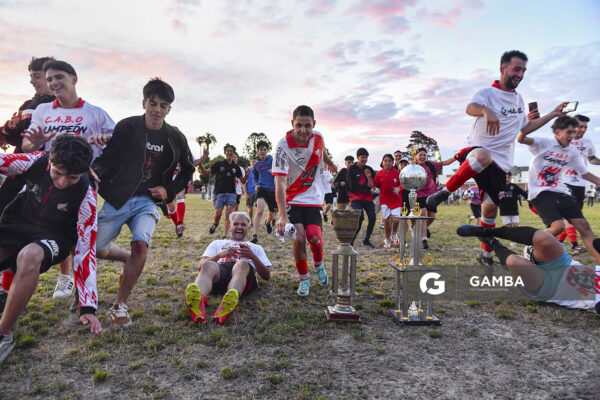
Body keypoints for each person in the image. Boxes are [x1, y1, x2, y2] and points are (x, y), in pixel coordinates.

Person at [426, 50, 565, 266]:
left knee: (490, 209)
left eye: (524, 70)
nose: (520, 74)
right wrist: (485, 111)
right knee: (483, 155)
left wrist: (551, 115)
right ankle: (442, 194)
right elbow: (469, 108)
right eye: (516, 68)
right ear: (503, 69)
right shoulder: (486, 93)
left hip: (501, 163)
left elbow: (525, 128)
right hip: (475, 150)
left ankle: (486, 255)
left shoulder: (519, 100)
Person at [92, 78, 194, 326]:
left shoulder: (175, 137)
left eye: (163, 105)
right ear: (144, 103)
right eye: (153, 103)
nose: (157, 110)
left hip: (148, 202)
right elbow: (111, 157)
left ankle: (119, 305)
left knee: (141, 245)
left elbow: (187, 170)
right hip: (119, 197)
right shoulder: (127, 127)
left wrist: (168, 190)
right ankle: (126, 259)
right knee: (95, 248)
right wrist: (96, 171)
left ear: (169, 109)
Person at [0, 134, 101, 363]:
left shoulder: (87, 194)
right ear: (50, 162)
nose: (63, 182)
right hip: (17, 226)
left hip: (54, 236)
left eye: (72, 177)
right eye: (57, 173)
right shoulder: (34, 161)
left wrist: (88, 306)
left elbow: (85, 251)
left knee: (29, 256)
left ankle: (4, 334)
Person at [21, 59, 115, 302]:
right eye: (50, 78)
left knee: (83, 236)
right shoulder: (43, 111)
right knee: (54, 230)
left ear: (74, 79)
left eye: (59, 77)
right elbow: (27, 145)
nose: (53, 82)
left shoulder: (94, 112)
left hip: (83, 181)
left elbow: (118, 140)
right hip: (49, 180)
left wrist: (105, 138)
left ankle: (81, 295)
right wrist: (36, 140)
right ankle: (62, 277)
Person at [0, 56, 56, 309]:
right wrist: (5, 132)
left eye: (36, 75)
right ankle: (5, 289)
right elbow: (13, 134)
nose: (32, 80)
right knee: (6, 223)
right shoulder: (27, 104)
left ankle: (9, 290)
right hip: (17, 171)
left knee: (23, 229)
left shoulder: (57, 105)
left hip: (41, 174)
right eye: (31, 75)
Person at [456, 224, 599, 315]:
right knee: (545, 238)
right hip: (566, 264)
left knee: (515, 261)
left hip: (552, 288)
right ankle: (487, 231)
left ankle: (492, 242)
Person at [517, 116, 600, 265]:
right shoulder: (544, 143)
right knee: (558, 226)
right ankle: (531, 246)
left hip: (560, 190)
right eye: (569, 132)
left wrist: (598, 181)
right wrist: (530, 124)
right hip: (540, 191)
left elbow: (583, 172)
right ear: (557, 132)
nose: (572, 136)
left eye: (573, 132)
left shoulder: (572, 150)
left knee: (584, 225)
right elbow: (521, 139)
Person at [273, 105, 337, 297]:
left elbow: (321, 151)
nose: (303, 130)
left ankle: (318, 264)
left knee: (315, 238)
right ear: (292, 124)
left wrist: (330, 163)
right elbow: (280, 183)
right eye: (299, 125)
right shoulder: (282, 147)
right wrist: (283, 215)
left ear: (314, 124)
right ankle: (304, 279)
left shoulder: (318, 137)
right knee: (299, 238)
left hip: (314, 198)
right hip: (292, 198)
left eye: (307, 125)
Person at [184, 212, 271, 325]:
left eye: (243, 225)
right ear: (230, 226)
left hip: (243, 277)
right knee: (208, 265)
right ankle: (198, 300)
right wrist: (219, 255)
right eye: (235, 224)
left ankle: (230, 300)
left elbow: (266, 276)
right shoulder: (218, 243)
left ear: (248, 228)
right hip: (220, 273)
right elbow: (201, 266)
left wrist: (252, 256)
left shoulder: (255, 247)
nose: (239, 227)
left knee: (242, 264)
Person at [557, 115, 599, 253]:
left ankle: (558, 242)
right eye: (580, 126)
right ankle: (574, 245)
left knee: (575, 216)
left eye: (585, 127)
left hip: (581, 182)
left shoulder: (587, 142)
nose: (583, 129)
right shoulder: (564, 140)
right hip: (565, 181)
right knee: (572, 214)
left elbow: (591, 158)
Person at [198, 144, 242, 237]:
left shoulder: (236, 167)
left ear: (234, 153)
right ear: (225, 153)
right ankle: (215, 224)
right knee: (218, 213)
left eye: (231, 151)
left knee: (229, 214)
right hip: (219, 193)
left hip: (231, 193)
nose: (230, 152)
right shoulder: (219, 164)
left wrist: (246, 175)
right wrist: (200, 164)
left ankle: (224, 236)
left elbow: (243, 180)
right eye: (228, 151)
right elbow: (205, 172)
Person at [415, 147, 455, 249]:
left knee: (431, 217)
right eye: (420, 155)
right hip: (418, 194)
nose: (422, 157)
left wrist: (457, 157)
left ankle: (423, 228)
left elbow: (445, 162)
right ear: (416, 157)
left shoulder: (430, 164)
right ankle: (424, 240)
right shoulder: (412, 168)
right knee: (423, 214)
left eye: (424, 155)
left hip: (431, 195)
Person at [372, 154, 403, 248]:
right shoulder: (379, 174)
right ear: (382, 162)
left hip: (396, 200)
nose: (387, 162)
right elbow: (373, 184)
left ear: (393, 163)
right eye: (385, 161)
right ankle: (388, 239)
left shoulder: (397, 173)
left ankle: (394, 233)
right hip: (384, 200)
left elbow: (403, 184)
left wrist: (398, 189)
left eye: (389, 161)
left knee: (396, 220)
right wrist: (369, 177)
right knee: (386, 221)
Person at [347, 148, 376, 247]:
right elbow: (352, 187)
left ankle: (366, 240)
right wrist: (366, 186)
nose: (364, 160)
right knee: (360, 217)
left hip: (367, 198)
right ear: (357, 157)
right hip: (356, 198)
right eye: (362, 157)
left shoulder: (369, 169)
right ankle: (352, 239)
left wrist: (369, 179)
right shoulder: (352, 169)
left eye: (366, 158)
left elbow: (373, 184)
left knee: (372, 218)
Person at [251, 141, 277, 243]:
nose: (262, 151)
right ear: (258, 151)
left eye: (264, 149)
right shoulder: (257, 165)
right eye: (261, 150)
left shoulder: (272, 160)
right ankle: (254, 235)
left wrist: (274, 171)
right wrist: (256, 184)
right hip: (262, 189)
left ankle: (267, 222)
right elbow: (255, 177)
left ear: (267, 151)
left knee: (272, 213)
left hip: (272, 190)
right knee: (260, 210)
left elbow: (280, 168)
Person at [245, 158, 257, 223]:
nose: (254, 163)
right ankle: (250, 221)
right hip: (250, 192)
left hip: (258, 192)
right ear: (250, 162)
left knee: (260, 207)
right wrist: (246, 194)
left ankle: (256, 221)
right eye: (253, 161)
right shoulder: (248, 170)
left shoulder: (258, 170)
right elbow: (244, 183)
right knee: (250, 207)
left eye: (255, 161)